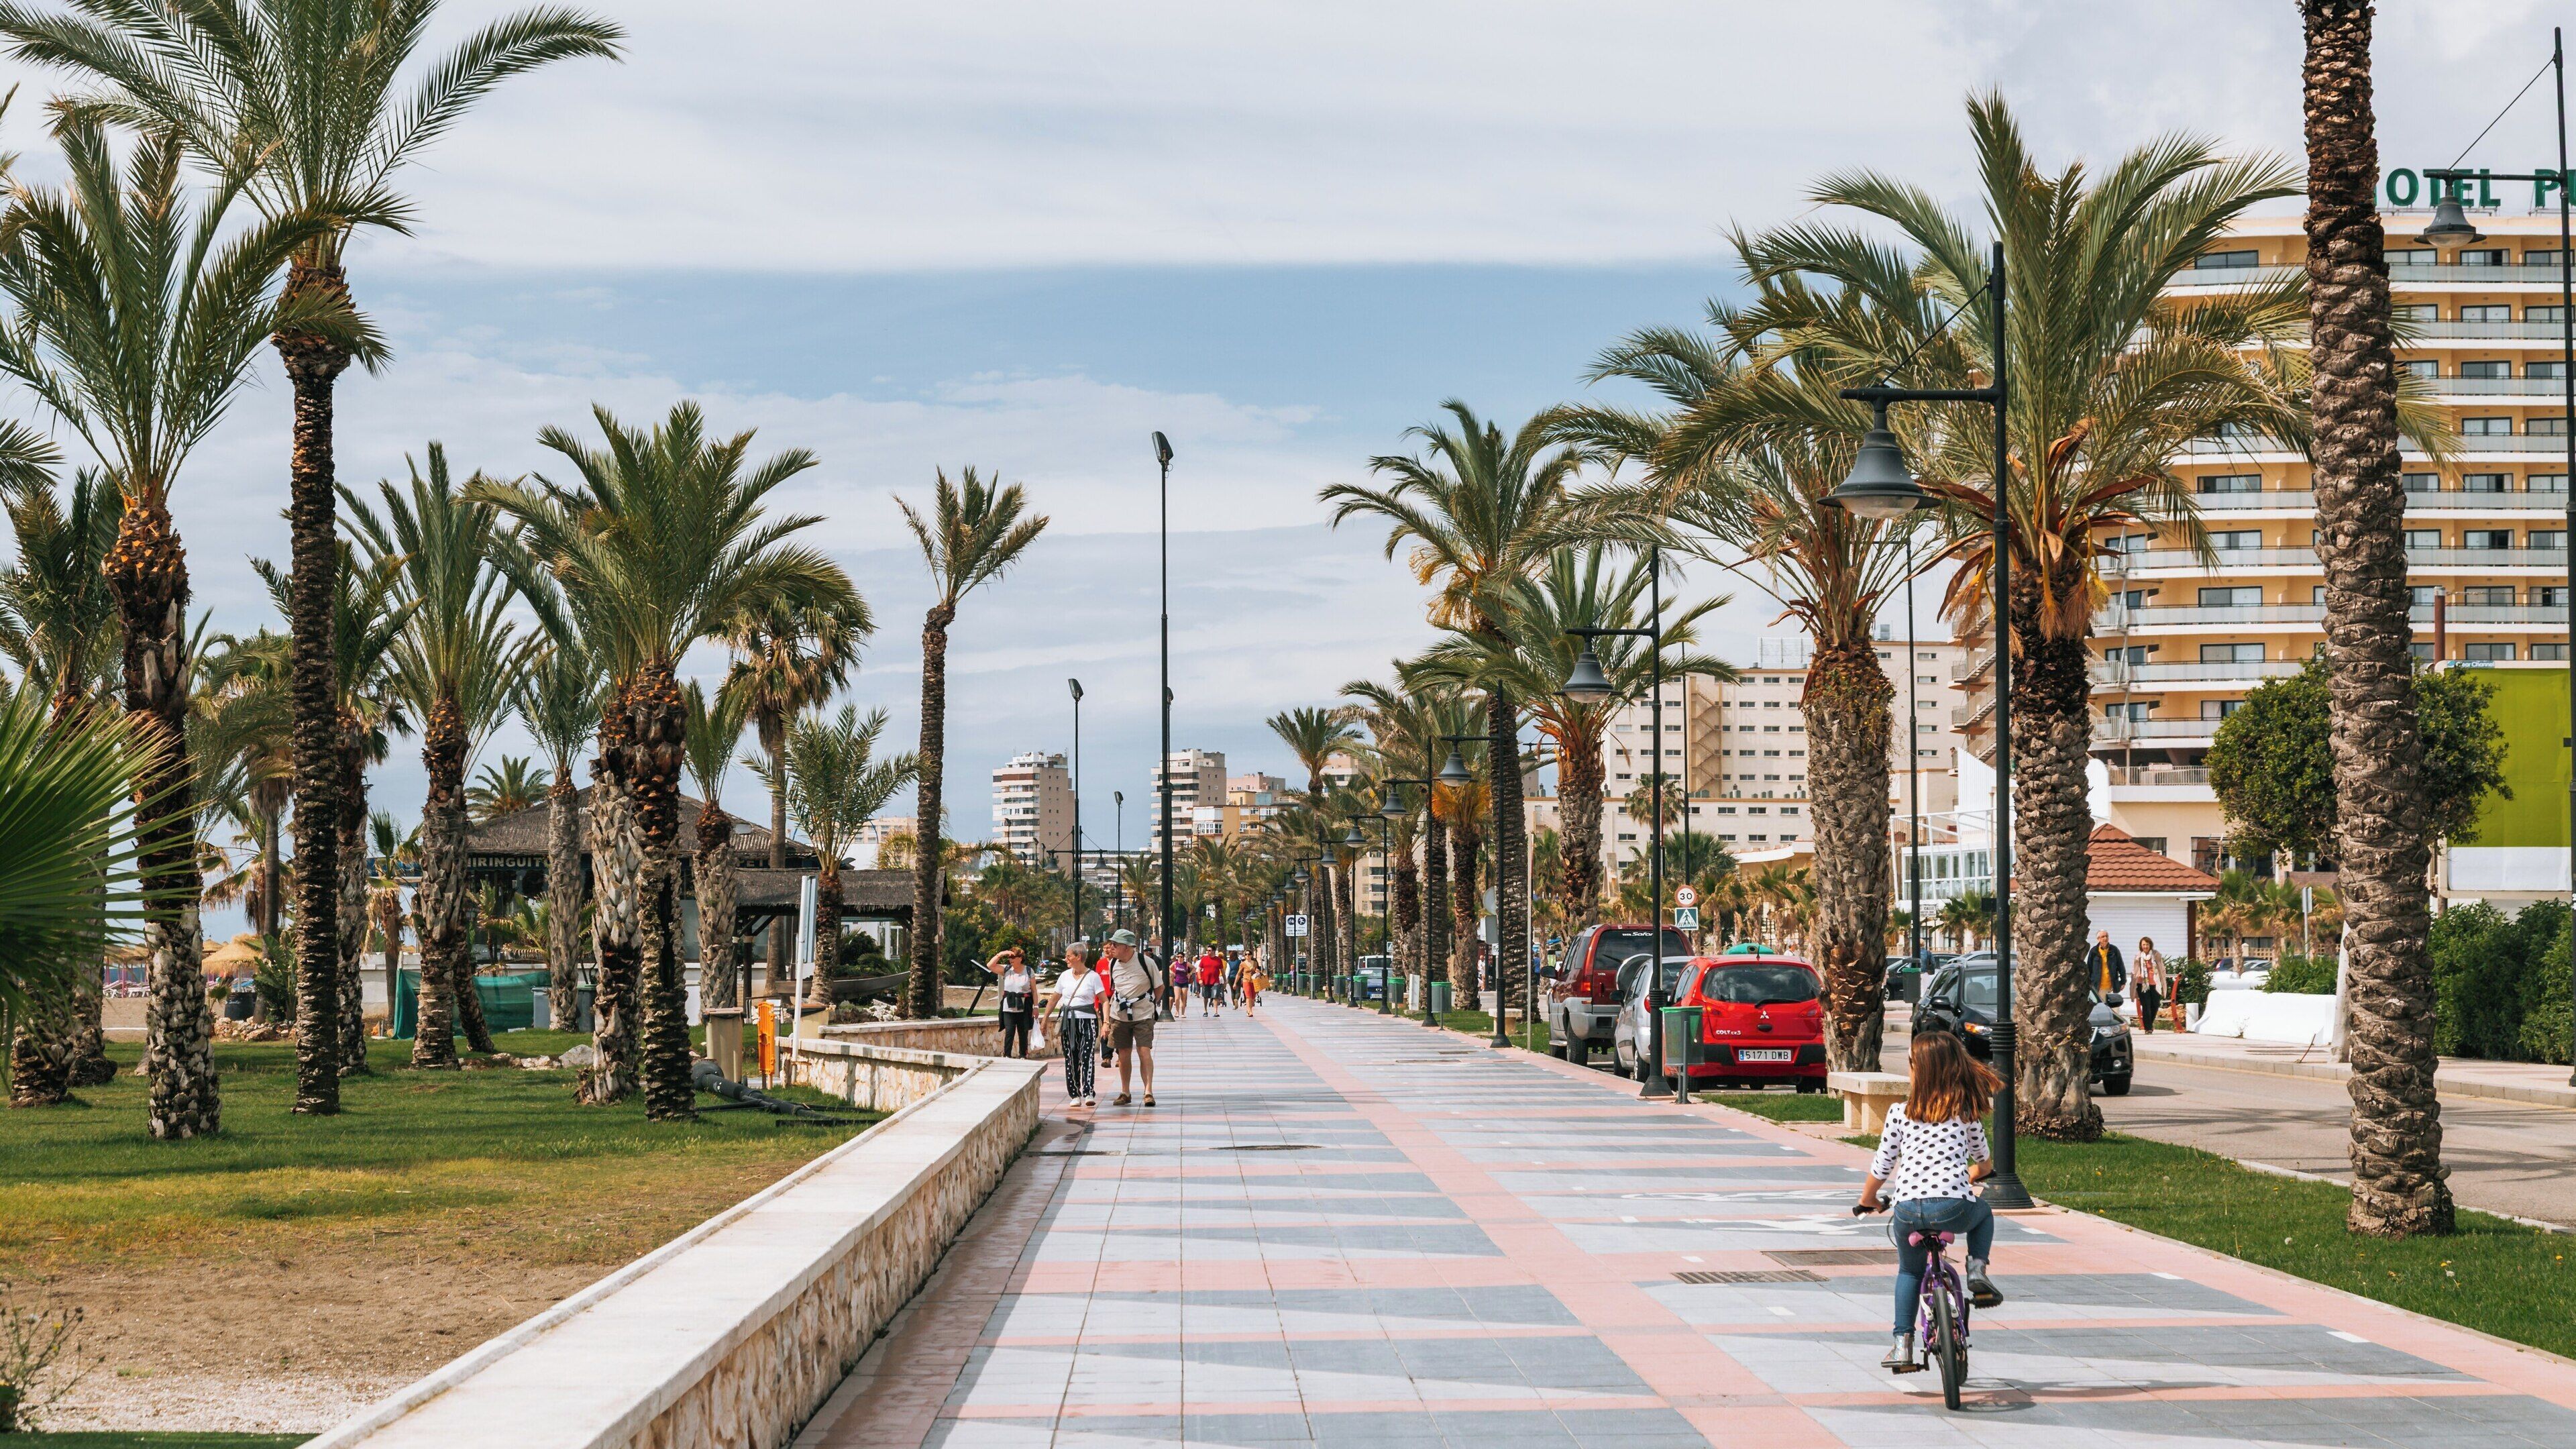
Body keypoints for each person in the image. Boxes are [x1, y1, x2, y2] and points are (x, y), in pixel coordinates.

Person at [1858, 1030, 2006, 1373]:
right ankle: (1976, 1269)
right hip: (1954, 1206)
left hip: (1908, 1208)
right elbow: (1985, 1164)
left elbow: (1881, 1167)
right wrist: (1965, 1178)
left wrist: (1868, 1200)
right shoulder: (1965, 1111)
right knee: (1983, 1213)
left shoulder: (1899, 1113)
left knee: (1909, 1271)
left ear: (1918, 1070)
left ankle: (1902, 1345)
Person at [1101, 929, 1166, 1106]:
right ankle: (1125, 1092)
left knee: (1144, 1051)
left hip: (1143, 1015)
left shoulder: (1146, 962)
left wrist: (1150, 1004)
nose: (1111, 947)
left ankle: (1148, 1092)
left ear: (1127, 947)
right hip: (1119, 1016)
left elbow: (1159, 987)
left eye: (1115, 945)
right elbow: (1114, 989)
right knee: (1123, 1055)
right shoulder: (1112, 963)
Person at [1050, 955, 1102, 1107]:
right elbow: (1054, 998)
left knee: (1087, 1055)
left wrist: (1105, 1022)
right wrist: (1045, 1018)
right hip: (1069, 1022)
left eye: (1068, 956)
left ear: (1078, 957)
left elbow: (1104, 1000)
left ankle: (1088, 1092)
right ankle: (1074, 1094)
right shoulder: (1064, 976)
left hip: (1087, 1020)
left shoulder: (1093, 977)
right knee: (1071, 1058)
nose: (1066, 959)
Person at [995, 948, 1036, 1058]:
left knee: (1023, 1032)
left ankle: (1023, 1054)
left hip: (1024, 1006)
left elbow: (1034, 991)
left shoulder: (1028, 971)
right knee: (1009, 1031)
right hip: (1008, 1006)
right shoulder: (1007, 969)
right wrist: (1001, 954)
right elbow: (990, 965)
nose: (1010, 959)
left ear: (1020, 958)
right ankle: (1007, 1055)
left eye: (1013, 957)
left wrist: (1036, 1007)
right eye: (1009, 957)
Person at [2132, 936, 2165, 1035]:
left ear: (2150, 945)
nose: (2145, 946)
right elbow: (2135, 970)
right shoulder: (2138, 956)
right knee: (2146, 1006)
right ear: (2141, 946)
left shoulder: (2156, 955)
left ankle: (2149, 1023)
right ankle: (2148, 1028)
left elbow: (2162, 968)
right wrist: (2138, 975)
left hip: (2155, 983)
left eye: (2147, 944)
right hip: (2142, 984)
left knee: (2155, 1005)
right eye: (2144, 945)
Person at [2086, 930, 2126, 998]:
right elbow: (2089, 968)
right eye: (2103, 937)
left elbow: (2121, 966)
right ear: (2098, 939)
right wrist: (2089, 984)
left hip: (2112, 987)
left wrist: (2123, 982)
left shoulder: (2114, 950)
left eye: (2107, 936)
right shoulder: (2094, 951)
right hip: (2098, 988)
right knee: (2100, 1007)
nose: (2105, 938)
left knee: (2113, 1007)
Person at [1196, 946, 1224, 1016]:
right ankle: (1205, 1011)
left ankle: (1216, 1012)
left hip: (1216, 981)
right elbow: (1198, 970)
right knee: (1205, 997)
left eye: (1209, 950)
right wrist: (1200, 980)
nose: (1208, 952)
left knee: (1215, 996)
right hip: (1206, 981)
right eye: (1207, 950)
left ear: (1214, 951)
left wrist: (1225, 980)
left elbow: (1222, 971)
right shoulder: (1204, 959)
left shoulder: (1218, 960)